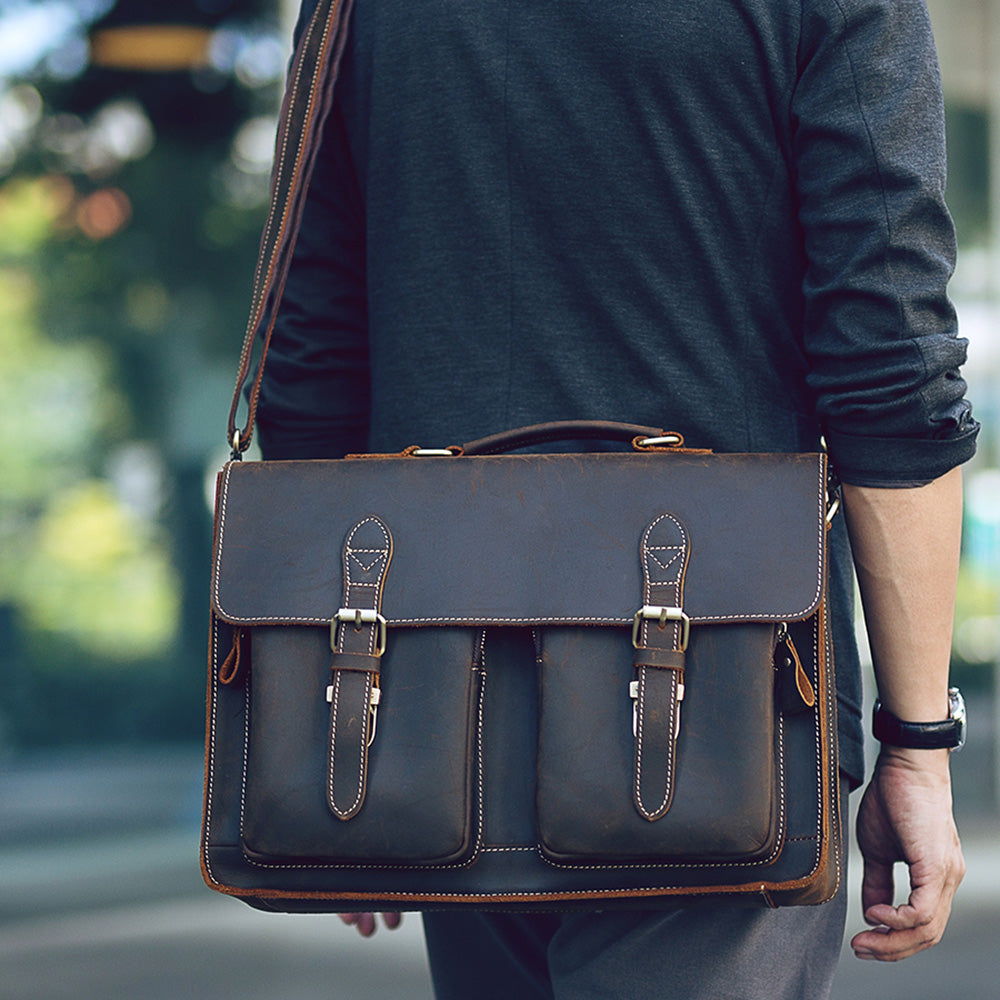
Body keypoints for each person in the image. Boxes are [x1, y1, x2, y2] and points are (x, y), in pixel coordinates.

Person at [255, 0, 978, 995]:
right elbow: (891, 366)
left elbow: (310, 357)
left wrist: (334, 734)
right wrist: (916, 744)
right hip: (727, 691)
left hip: (435, 687)